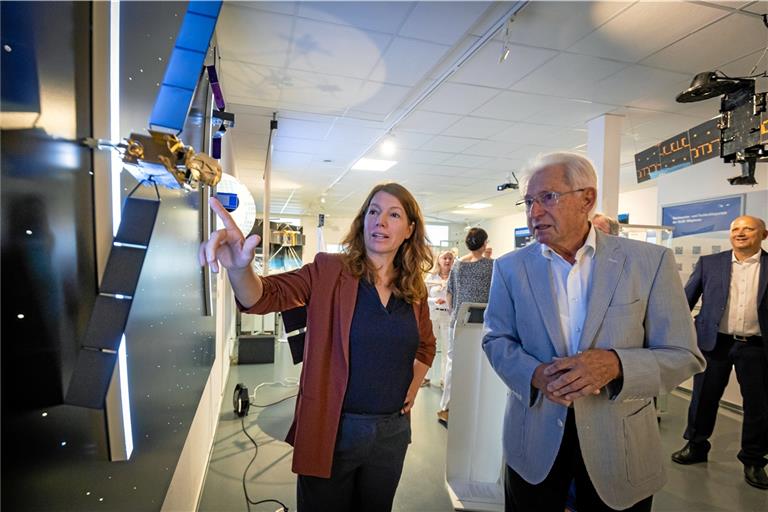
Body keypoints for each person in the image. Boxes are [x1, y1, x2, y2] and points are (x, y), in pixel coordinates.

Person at [482, 152, 704, 511]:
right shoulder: (510, 268)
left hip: (620, 441)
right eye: (528, 201)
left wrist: (616, 365)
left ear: (587, 198)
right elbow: (496, 339)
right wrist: (535, 374)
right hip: (534, 436)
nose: (534, 213)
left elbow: (683, 354)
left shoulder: (648, 263)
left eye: (548, 198)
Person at [199, 183, 436, 512]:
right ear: (362, 222)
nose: (381, 221)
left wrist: (411, 386)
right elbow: (265, 295)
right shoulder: (329, 270)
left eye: (393, 214)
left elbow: (426, 345)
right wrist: (240, 269)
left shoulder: (414, 290)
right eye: (373, 211)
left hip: (391, 434)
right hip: (333, 427)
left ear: (409, 230)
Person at [671, 215, 768, 490]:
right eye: (735, 229)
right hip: (715, 343)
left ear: (763, 234)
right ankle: (696, 445)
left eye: (748, 229)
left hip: (757, 346)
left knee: (758, 406)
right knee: (703, 398)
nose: (740, 233)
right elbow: (685, 300)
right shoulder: (710, 263)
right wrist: (673, 335)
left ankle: (754, 459)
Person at [437, 227, 493, 424]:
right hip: (484, 323)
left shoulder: (458, 266)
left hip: (459, 321)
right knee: (482, 363)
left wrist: (454, 313)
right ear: (484, 243)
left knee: (454, 363)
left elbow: (450, 294)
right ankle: (478, 405)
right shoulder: (492, 266)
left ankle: (446, 407)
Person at [424, 249, 455, 388]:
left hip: (448, 316)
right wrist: (435, 301)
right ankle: (426, 377)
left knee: (447, 349)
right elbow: (423, 297)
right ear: (439, 260)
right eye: (445, 258)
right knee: (429, 347)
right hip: (432, 315)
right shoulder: (431, 278)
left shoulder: (455, 277)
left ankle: (444, 379)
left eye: (450, 258)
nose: (447, 261)